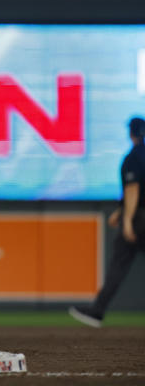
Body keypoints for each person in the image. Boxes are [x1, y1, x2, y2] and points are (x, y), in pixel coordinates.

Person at [69, 116, 145, 327]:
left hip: (140, 220)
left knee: (118, 266)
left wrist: (127, 219)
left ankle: (97, 311)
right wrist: (121, 211)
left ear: (131, 133)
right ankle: (97, 310)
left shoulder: (132, 158)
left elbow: (133, 190)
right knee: (119, 264)